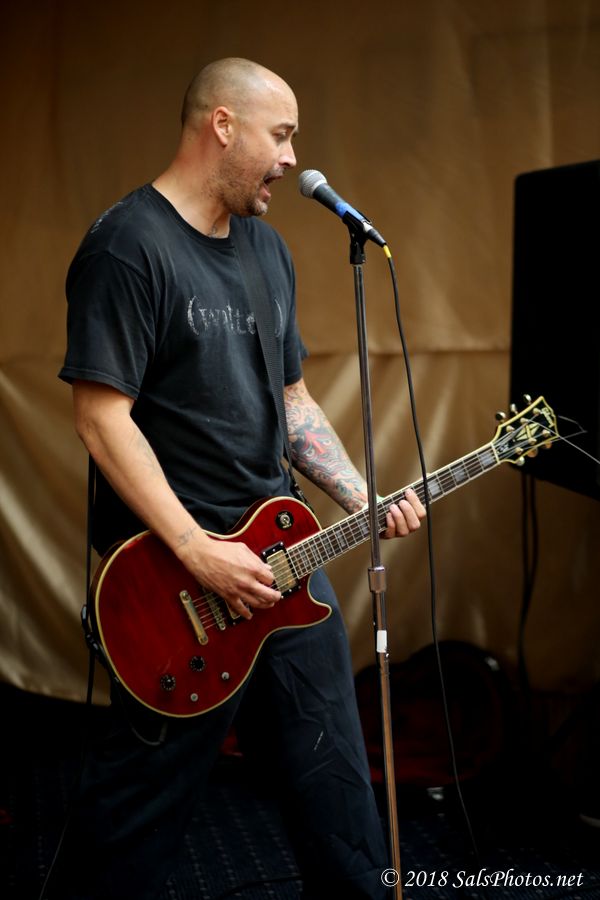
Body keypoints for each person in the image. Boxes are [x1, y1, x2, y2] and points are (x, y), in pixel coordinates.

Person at [52, 57, 425, 900]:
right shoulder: (126, 246)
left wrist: (362, 499)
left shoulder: (266, 249)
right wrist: (198, 551)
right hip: (172, 584)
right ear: (222, 125)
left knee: (336, 788)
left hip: (282, 565)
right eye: (281, 135)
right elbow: (101, 419)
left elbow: (291, 401)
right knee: (134, 817)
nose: (293, 158)